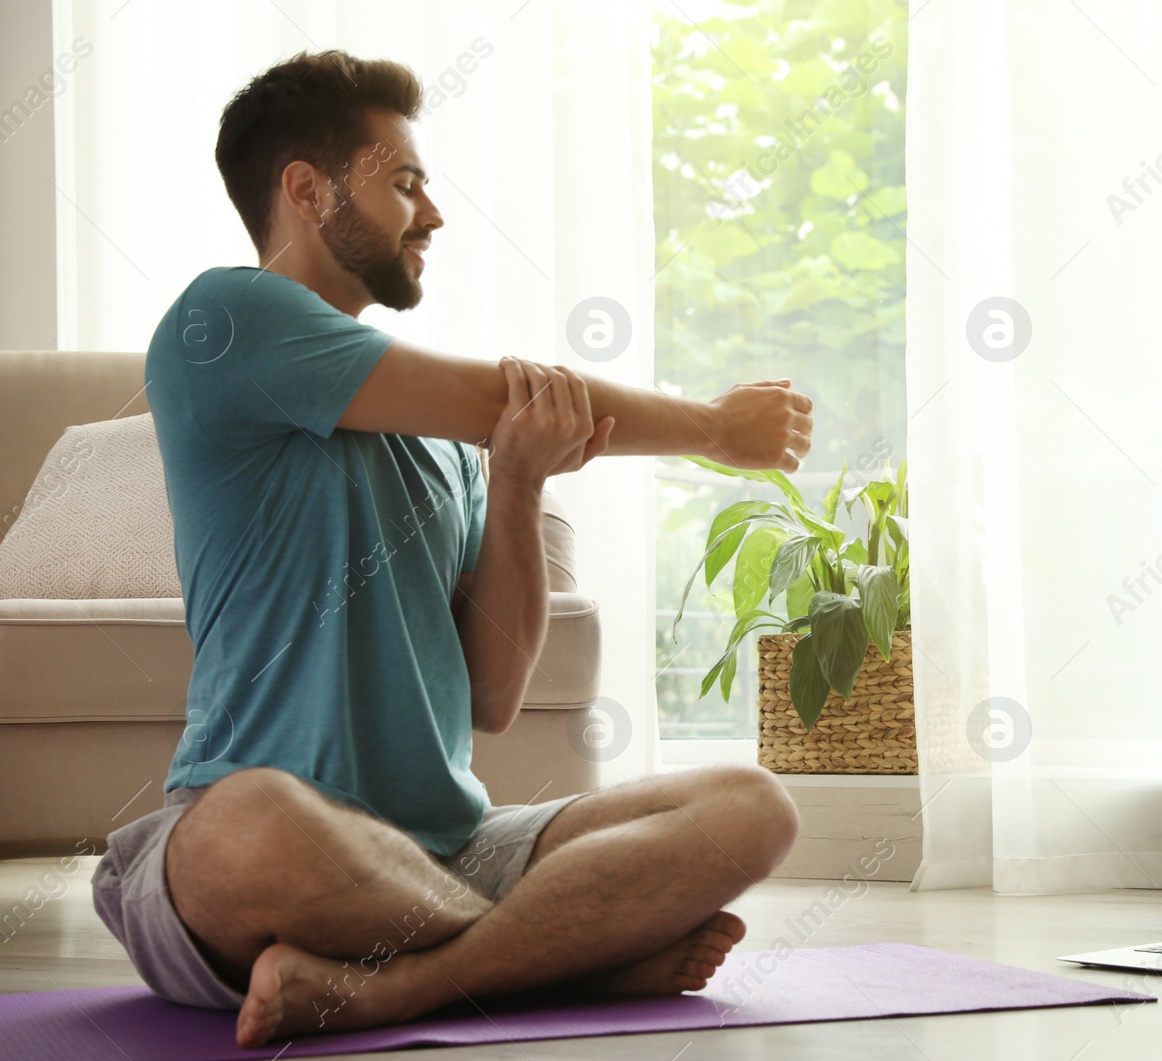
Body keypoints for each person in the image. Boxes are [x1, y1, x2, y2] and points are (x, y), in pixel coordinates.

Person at [88, 50, 817, 1050]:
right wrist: (713, 429)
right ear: (307, 189)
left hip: (450, 850)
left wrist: (516, 481)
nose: (429, 215)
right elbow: (505, 399)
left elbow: (490, 695)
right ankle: (572, 957)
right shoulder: (225, 318)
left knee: (750, 806)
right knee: (253, 814)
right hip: (266, 848)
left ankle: (400, 987)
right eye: (402, 183)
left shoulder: (450, 444)